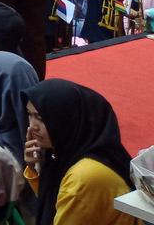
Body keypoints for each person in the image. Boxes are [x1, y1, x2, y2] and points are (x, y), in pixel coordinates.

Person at [23, 79, 136, 225]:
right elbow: (56, 202)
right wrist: (35, 168)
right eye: (29, 115)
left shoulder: (84, 177)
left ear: (67, 119)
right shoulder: (71, 151)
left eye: (41, 118)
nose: (32, 127)